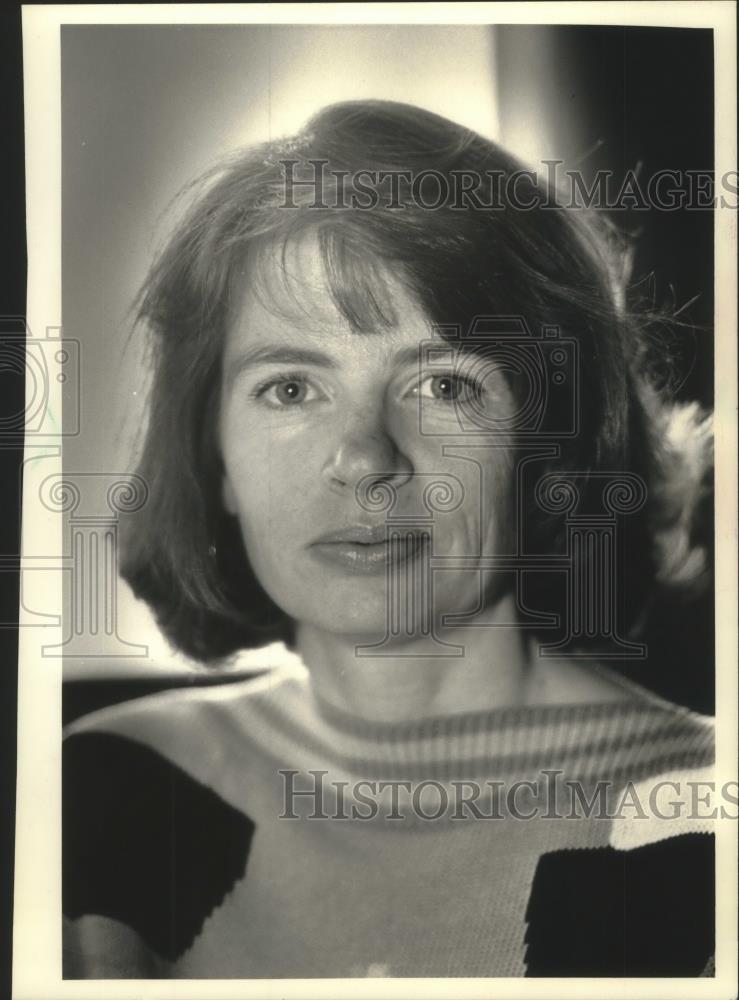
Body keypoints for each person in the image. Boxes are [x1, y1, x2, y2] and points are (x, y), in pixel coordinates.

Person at [62, 100, 715, 979]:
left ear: (548, 444)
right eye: (290, 389)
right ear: (211, 453)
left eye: (444, 385)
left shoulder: (706, 813)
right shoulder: (105, 792)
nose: (364, 459)